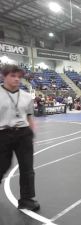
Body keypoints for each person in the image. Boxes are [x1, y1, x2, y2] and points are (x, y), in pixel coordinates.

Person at [0, 65, 40, 211]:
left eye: (19, 76)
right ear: (4, 76)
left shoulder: (27, 96)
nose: (17, 79)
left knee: (27, 167)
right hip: (2, 134)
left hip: (23, 134)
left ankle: (26, 199)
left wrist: (32, 134)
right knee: (2, 166)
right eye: (13, 76)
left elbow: (29, 117)